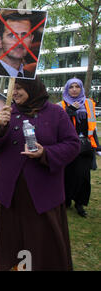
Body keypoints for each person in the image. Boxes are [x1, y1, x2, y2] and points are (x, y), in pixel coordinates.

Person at [0, 77, 79, 271]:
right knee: (13, 236)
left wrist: (45, 153)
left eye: (20, 88)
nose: (16, 92)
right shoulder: (8, 113)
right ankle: (14, 266)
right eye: (14, 88)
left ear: (33, 88)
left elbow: (72, 145)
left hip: (41, 192)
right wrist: (0, 127)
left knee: (40, 237)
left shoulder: (56, 113)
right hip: (11, 191)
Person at [58, 78, 99, 217]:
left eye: (77, 87)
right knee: (67, 174)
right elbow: (58, 124)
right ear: (67, 89)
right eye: (71, 87)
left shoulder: (88, 103)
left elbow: (92, 125)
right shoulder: (61, 105)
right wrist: (70, 110)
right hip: (68, 146)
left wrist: (96, 145)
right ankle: (66, 200)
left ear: (81, 88)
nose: (74, 89)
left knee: (83, 176)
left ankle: (80, 204)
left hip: (85, 147)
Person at [0, 11, 35, 78]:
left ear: (31, 39)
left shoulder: (30, 76)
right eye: (12, 36)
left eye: (24, 35)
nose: (20, 42)